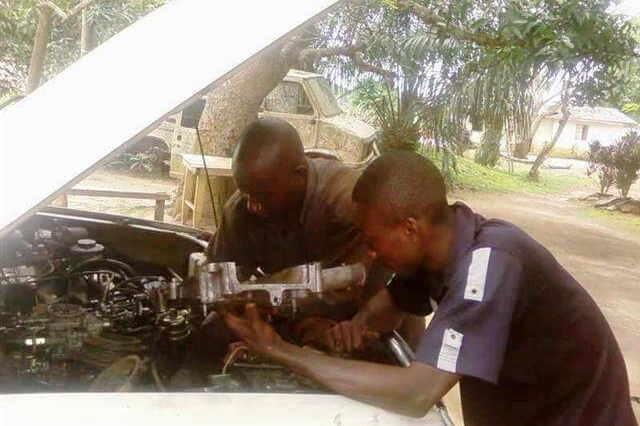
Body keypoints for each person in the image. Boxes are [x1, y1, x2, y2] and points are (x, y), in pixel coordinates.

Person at [223, 151, 637, 426]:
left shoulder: (491, 264)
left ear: (409, 228)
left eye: (372, 242)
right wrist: (346, 329)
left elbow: (416, 393)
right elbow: (386, 308)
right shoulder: (439, 248)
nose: (367, 256)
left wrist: (282, 351)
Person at [207, 117, 425, 346]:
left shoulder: (353, 206)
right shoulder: (241, 209)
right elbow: (217, 277)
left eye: (263, 196)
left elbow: (353, 287)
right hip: (306, 321)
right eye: (246, 192)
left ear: (299, 178)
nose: (253, 205)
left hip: (382, 323)